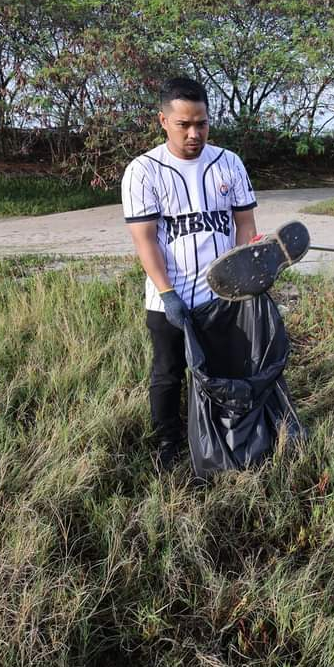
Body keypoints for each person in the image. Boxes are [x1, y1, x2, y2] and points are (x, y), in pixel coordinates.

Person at [122, 76, 259, 472]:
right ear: (163, 120)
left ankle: (221, 436)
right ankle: (167, 442)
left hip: (222, 295)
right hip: (171, 295)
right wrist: (167, 294)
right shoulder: (143, 170)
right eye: (184, 124)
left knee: (223, 371)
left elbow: (245, 224)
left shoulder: (228, 162)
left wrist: (244, 274)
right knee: (168, 373)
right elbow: (145, 240)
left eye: (201, 123)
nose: (194, 133)